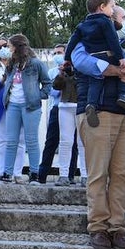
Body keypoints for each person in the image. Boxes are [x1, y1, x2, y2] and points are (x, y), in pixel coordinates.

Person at [69, 0, 125, 249]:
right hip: (96, 112)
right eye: (117, 15)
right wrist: (115, 70)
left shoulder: (124, 50)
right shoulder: (86, 37)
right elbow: (80, 62)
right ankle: (98, 227)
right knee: (98, 173)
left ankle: (118, 228)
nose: (119, 21)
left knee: (123, 174)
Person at [70, 0, 125, 121]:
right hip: (101, 114)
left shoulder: (122, 49)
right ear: (111, 19)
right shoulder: (88, 39)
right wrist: (120, 70)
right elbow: (80, 61)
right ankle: (92, 105)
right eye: (123, 18)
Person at [0, 34, 51, 183]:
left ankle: (34, 174)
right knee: (11, 141)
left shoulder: (36, 64)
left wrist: (38, 96)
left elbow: (47, 83)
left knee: (31, 140)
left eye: (9, 45)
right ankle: (7, 173)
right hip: (12, 105)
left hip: (30, 106)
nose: (7, 48)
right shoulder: (11, 64)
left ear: (17, 46)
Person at [37, 44, 78, 184]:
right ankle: (41, 175)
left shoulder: (76, 69)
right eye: (55, 53)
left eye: (60, 52)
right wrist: (61, 76)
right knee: (51, 141)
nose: (57, 56)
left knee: (73, 143)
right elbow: (52, 91)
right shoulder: (52, 71)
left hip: (73, 107)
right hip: (57, 107)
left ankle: (70, 175)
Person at [0, 37, 24, 177]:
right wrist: (1, 80)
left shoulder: (21, 65)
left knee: (19, 140)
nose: (3, 49)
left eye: (5, 45)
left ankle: (17, 173)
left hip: (17, 107)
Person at [50, 58, 86, 186]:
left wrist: (75, 73)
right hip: (65, 106)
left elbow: (83, 84)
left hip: (82, 106)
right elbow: (56, 86)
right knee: (65, 141)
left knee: (82, 142)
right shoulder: (65, 71)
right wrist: (62, 73)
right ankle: (63, 175)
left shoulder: (84, 67)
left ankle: (85, 175)